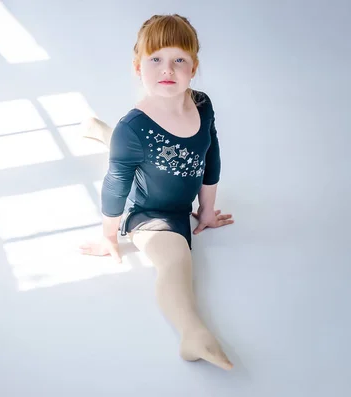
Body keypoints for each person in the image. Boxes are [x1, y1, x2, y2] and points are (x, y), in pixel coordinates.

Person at [79, 14, 235, 370]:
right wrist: (109, 237)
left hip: (174, 194)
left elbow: (210, 155)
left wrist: (207, 210)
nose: (168, 69)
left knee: (129, 152)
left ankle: (96, 129)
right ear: (138, 67)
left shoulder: (202, 104)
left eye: (179, 59)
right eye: (156, 59)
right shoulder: (133, 129)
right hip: (150, 211)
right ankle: (192, 334)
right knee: (176, 262)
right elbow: (115, 185)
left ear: (193, 67)